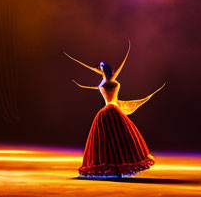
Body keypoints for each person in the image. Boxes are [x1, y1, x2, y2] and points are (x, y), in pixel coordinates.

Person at [66, 41, 164, 178]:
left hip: (107, 110)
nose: (98, 69)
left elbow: (106, 76)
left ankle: (113, 166)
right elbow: (117, 69)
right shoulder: (111, 81)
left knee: (108, 141)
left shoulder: (103, 83)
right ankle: (119, 165)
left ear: (102, 70)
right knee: (119, 140)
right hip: (114, 110)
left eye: (100, 68)